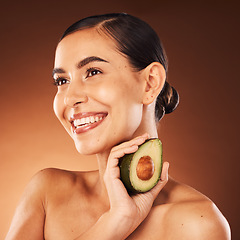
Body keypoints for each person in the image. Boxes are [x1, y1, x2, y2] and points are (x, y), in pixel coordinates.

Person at [5, 13, 231, 240]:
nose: (69, 98)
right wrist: (116, 222)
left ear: (150, 83)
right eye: (62, 81)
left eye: (93, 72)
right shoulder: (47, 193)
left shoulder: (197, 223)